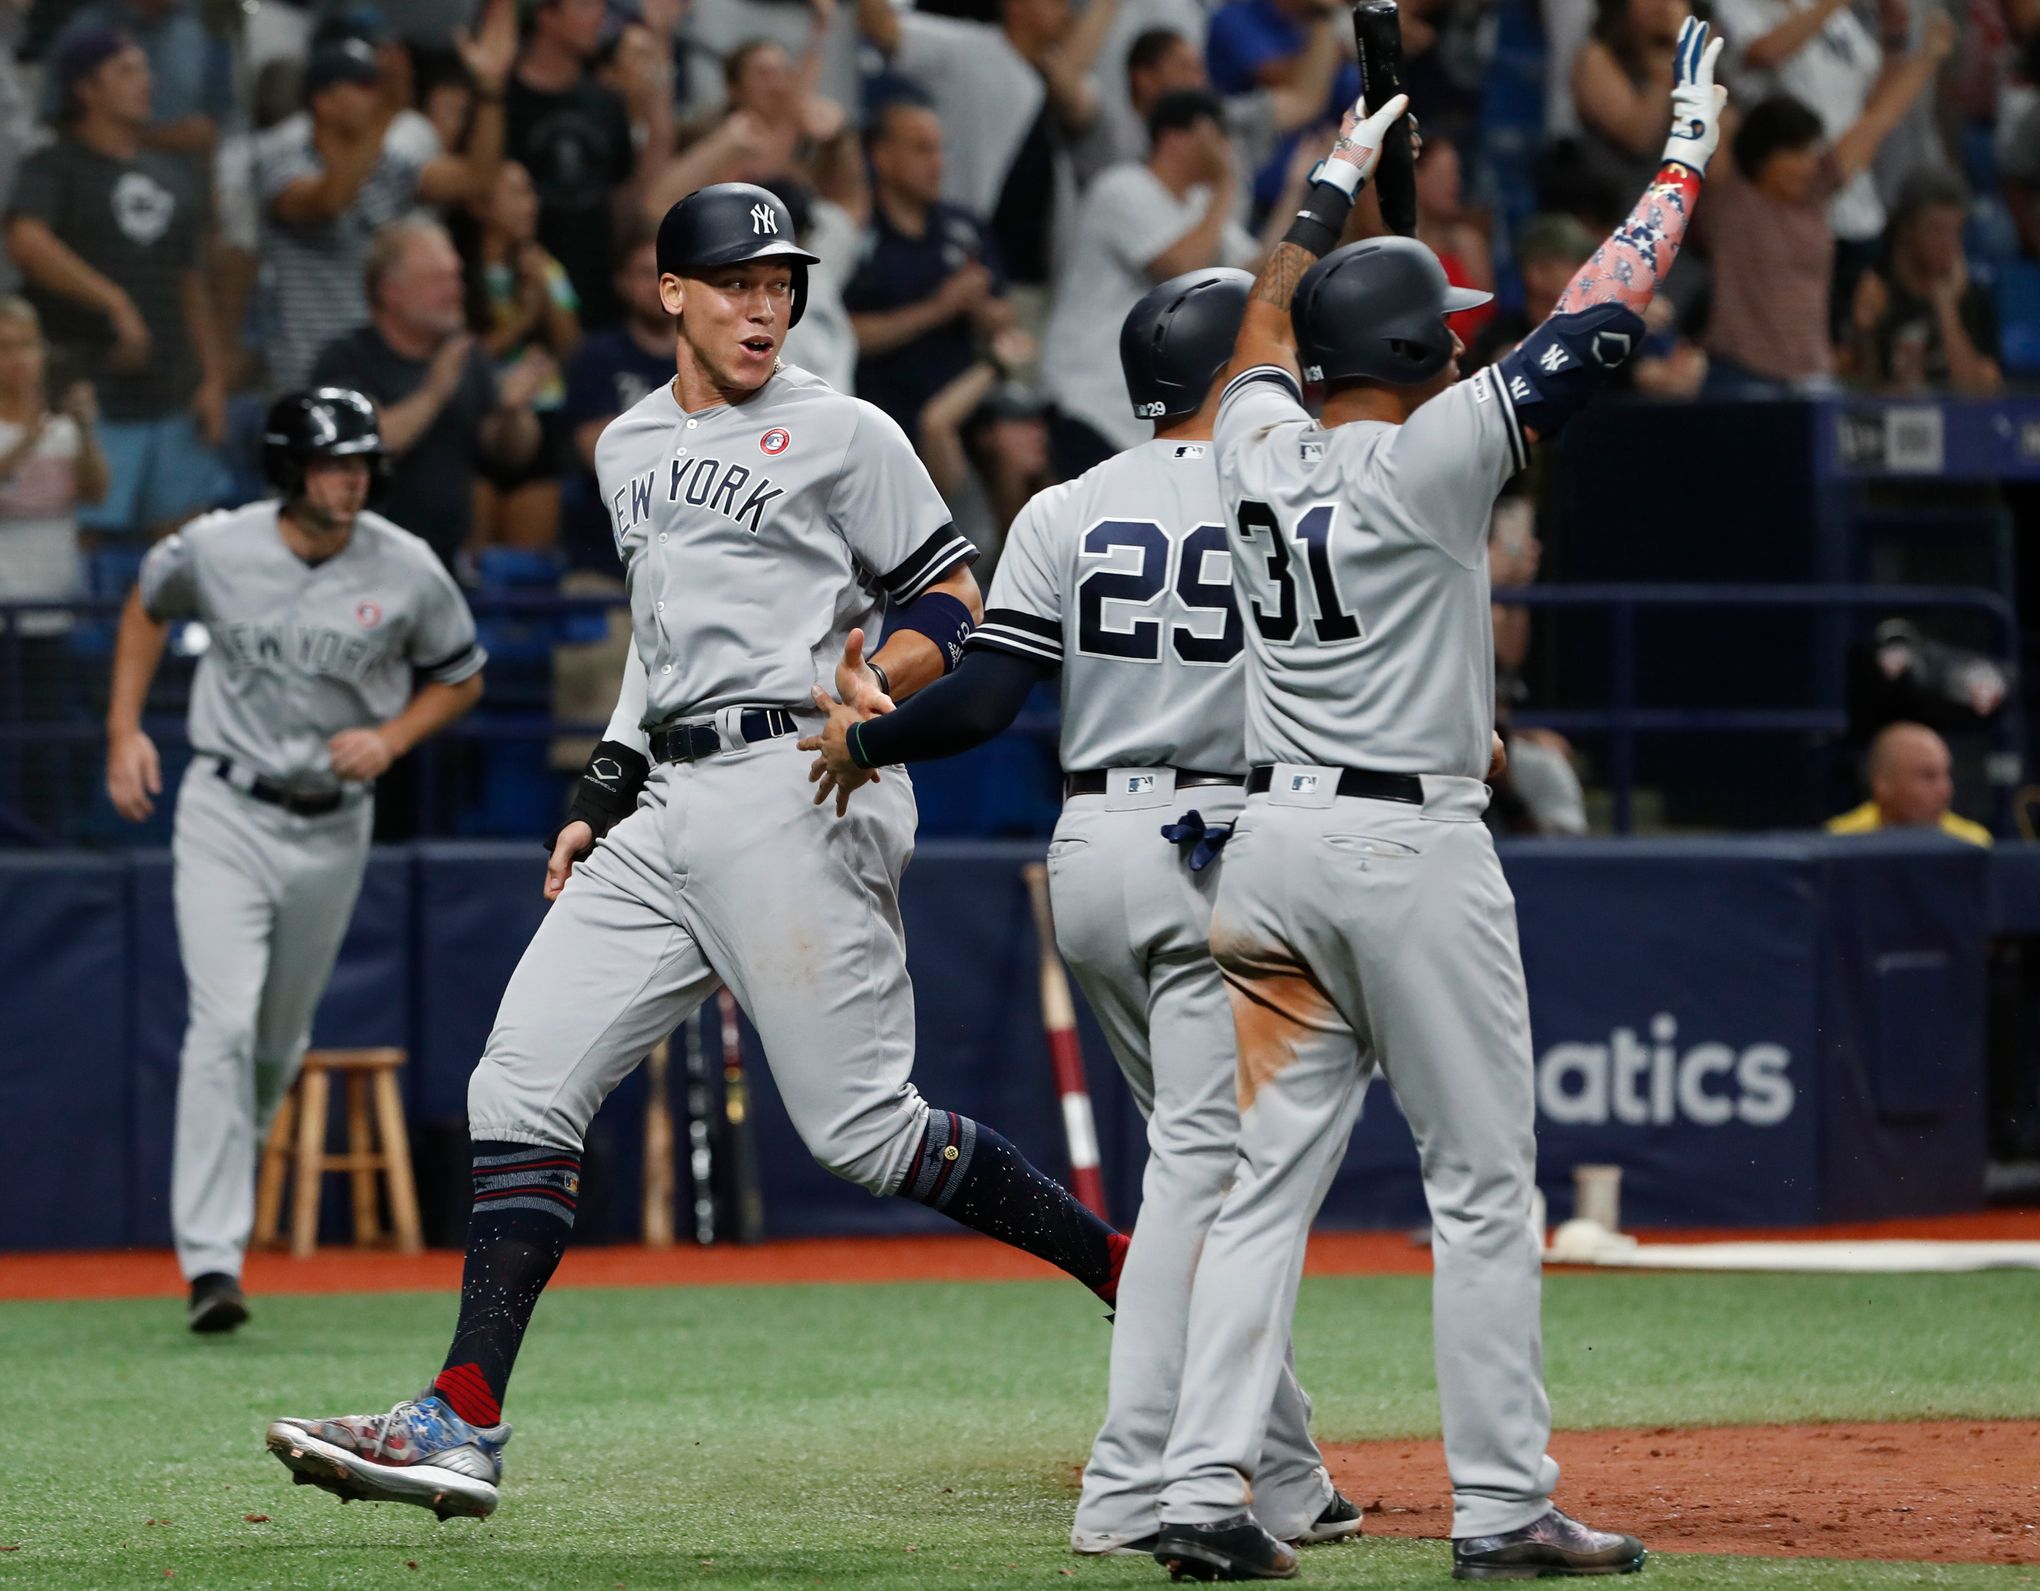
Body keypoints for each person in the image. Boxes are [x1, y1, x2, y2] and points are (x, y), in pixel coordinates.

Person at [263, 184, 1128, 1519]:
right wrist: (601, 786)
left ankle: (1122, 1267)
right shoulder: (623, 445)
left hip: (803, 776)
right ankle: (463, 1414)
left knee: (858, 1130)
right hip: (666, 798)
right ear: (669, 291)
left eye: (780, 283)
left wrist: (879, 687)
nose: (763, 306)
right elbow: (658, 649)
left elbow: (951, 595)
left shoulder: (847, 428)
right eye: (735, 282)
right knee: (518, 1086)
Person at [1142, 20, 1727, 1578]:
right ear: (1419, 358)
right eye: (1449, 331)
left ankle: (1204, 1487)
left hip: (1268, 847)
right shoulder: (1439, 460)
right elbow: (1603, 324)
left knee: (1263, 1188)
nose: (1468, 344)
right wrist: (1679, 161)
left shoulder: (1253, 438)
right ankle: (1503, 1505)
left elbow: (1265, 325)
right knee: (1480, 1184)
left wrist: (1330, 181)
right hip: (1406, 845)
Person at [801, 266, 1365, 1561]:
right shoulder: (1291, 483)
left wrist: (874, 737)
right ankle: (1133, 1482)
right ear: (1236, 367)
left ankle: (1282, 1468)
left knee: (1203, 1171)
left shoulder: (1067, 500)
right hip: (1230, 847)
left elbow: (988, 701)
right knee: (1208, 1186)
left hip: (1096, 844)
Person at [103, 387, 486, 1333]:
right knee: (222, 1027)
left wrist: (394, 737)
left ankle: (231, 1194)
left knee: (274, 1045)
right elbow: (148, 603)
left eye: (360, 463)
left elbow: (462, 672)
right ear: (289, 468)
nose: (350, 479)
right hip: (226, 807)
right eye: (331, 463)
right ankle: (210, 1263)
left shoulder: (404, 566)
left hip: (332, 824)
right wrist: (123, 731)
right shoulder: (219, 544)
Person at [3, 29, 227, 543]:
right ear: (87, 89)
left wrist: (212, 378)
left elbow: (192, 282)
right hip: (89, 389)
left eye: (144, 69)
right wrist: (113, 300)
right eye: (127, 71)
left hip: (172, 386)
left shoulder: (170, 174)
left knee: (183, 545)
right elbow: (25, 241)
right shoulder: (54, 166)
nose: (145, 82)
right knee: (85, 537)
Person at [257, 4, 516, 395]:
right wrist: (390, 111)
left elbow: (476, 181)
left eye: (378, 85)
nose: (375, 96)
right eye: (363, 86)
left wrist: (491, 90)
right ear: (323, 101)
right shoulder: (284, 153)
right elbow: (330, 201)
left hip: (381, 365)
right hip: (306, 372)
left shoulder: (386, 161)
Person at [1705, 20, 1950, 390]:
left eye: (1810, 151)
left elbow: (1878, 120)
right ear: (1762, 157)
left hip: (1812, 377)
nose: (1808, 163)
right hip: (1743, 374)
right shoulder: (1731, 199)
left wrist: (1928, 57)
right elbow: (1705, 111)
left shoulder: (1816, 195)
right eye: (1795, 152)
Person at [1041, 89, 1259, 477]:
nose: (1225, 148)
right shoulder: (1122, 187)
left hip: (1141, 412)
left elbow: (1253, 272)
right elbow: (1183, 269)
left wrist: (1302, 194)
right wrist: (1227, 183)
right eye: (1215, 134)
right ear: (1176, 136)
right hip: (1089, 399)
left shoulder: (1196, 207)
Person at [311, 216, 546, 568]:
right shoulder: (346, 360)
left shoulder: (467, 357)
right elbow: (364, 443)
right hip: (360, 565)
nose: (456, 290)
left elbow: (509, 453)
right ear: (391, 291)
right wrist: (435, 393)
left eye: (457, 276)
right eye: (440, 279)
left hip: (446, 567)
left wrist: (513, 411)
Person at [855, 0, 1113, 289]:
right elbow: (879, 26)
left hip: (1041, 272)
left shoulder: (1071, 80)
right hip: (963, 254)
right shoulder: (969, 48)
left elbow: (1073, 99)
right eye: (1053, 2)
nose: (1066, 12)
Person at [844, 96, 1015, 445]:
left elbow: (1006, 318)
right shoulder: (857, 234)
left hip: (968, 406)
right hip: (884, 411)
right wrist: (938, 309)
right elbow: (847, 334)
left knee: (1019, 441)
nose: (937, 163)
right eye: (922, 150)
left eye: (939, 150)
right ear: (883, 157)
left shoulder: (963, 227)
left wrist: (979, 305)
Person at [506, 0, 676, 327]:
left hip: (597, 288)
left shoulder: (606, 102)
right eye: (585, 5)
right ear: (545, 14)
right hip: (521, 285)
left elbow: (622, 196)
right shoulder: (506, 98)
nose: (599, 15)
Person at [462, 159, 582, 551]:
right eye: (516, 194)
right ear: (480, 207)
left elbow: (574, 354)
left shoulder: (547, 269)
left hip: (544, 418)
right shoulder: (455, 273)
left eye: (531, 193)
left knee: (528, 571)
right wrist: (522, 321)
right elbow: (462, 358)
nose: (530, 205)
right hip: (478, 424)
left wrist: (544, 297)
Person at [1847, 166, 2005, 396]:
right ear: (1907, 229)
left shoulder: (1973, 299)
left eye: (1955, 231)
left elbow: (1978, 395)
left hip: (1957, 427)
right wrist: (1863, 332)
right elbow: (1859, 391)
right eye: (1936, 229)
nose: (1947, 243)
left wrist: (1947, 310)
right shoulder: (1874, 290)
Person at [0, 295, 106, 622]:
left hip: (56, 606)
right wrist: (30, 436)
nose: (18, 358)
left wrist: (86, 433)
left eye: (27, 345)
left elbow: (96, 494)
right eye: (5, 347)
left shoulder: (66, 428)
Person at [1827, 720, 1992, 844]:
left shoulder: (1971, 843)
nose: (1946, 790)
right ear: (1883, 784)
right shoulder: (1841, 843)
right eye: (1928, 776)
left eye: (1946, 774)